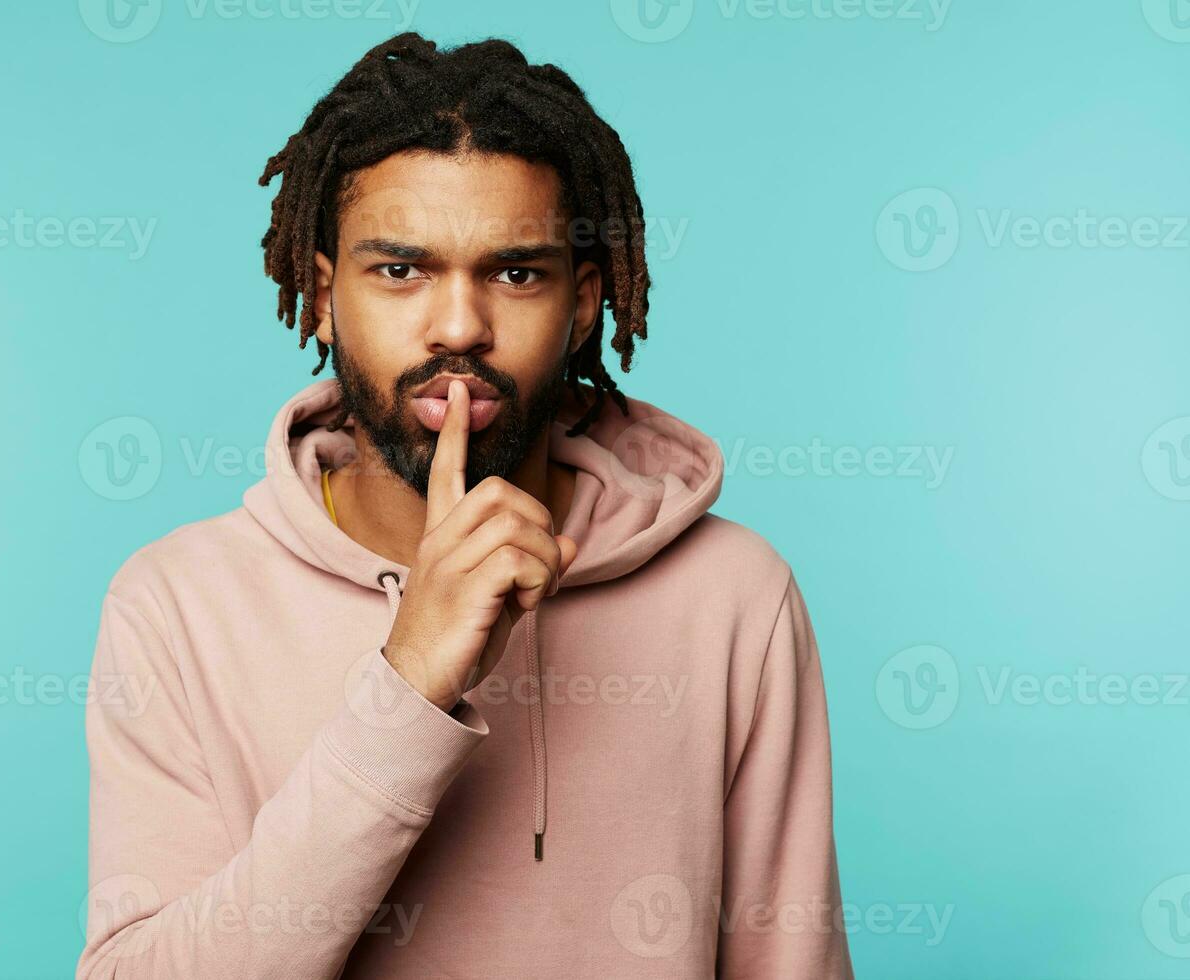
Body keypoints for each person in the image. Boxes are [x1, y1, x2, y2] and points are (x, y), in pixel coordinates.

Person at [77, 31, 853, 979]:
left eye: (516, 273)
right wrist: (406, 689)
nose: (459, 328)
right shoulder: (176, 606)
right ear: (322, 299)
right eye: (400, 270)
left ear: (582, 305)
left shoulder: (735, 598)